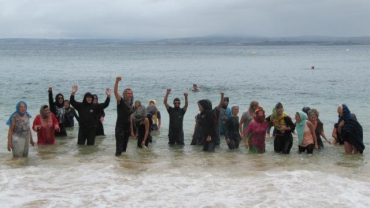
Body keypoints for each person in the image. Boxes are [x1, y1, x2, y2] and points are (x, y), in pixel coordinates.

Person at [114, 76, 134, 156]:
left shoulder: (130, 104)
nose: (130, 95)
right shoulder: (121, 101)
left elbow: (130, 118)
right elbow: (115, 92)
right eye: (128, 93)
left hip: (127, 128)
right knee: (119, 150)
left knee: (124, 149)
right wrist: (117, 82)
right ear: (124, 94)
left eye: (131, 94)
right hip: (120, 127)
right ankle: (117, 165)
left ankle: (123, 166)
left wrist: (132, 131)